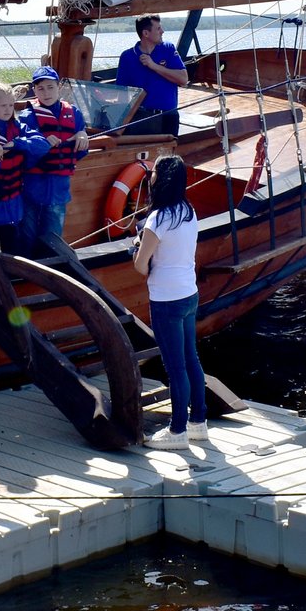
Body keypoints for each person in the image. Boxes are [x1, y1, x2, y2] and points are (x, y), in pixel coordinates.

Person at [133, 155, 207, 450]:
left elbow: (141, 265)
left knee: (175, 367)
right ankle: (198, 423)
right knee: (192, 359)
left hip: (165, 299)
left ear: (160, 181)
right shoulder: (189, 211)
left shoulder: (157, 219)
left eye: (152, 174)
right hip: (189, 293)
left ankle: (177, 431)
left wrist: (136, 247)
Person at [0, 83, 50, 254]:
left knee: (13, 250)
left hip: (13, 207)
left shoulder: (18, 128)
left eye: (11, 105)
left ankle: (14, 279)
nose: (8, 110)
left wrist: (18, 143)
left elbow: (43, 145)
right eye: (3, 106)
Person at [20, 65, 89, 254]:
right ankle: (25, 274)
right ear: (34, 90)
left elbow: (80, 153)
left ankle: (51, 270)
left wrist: (83, 137)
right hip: (32, 188)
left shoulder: (74, 114)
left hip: (58, 189)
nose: (46, 92)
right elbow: (23, 154)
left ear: (59, 87)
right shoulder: (27, 117)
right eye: (40, 88)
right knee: (27, 236)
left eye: (50, 87)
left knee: (53, 238)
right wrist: (41, 144)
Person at [114, 14, 188, 136]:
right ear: (146, 33)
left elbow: (183, 79)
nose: (162, 31)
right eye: (158, 28)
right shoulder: (127, 57)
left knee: (169, 154)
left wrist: (154, 66)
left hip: (169, 116)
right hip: (141, 117)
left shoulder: (168, 48)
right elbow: (121, 93)